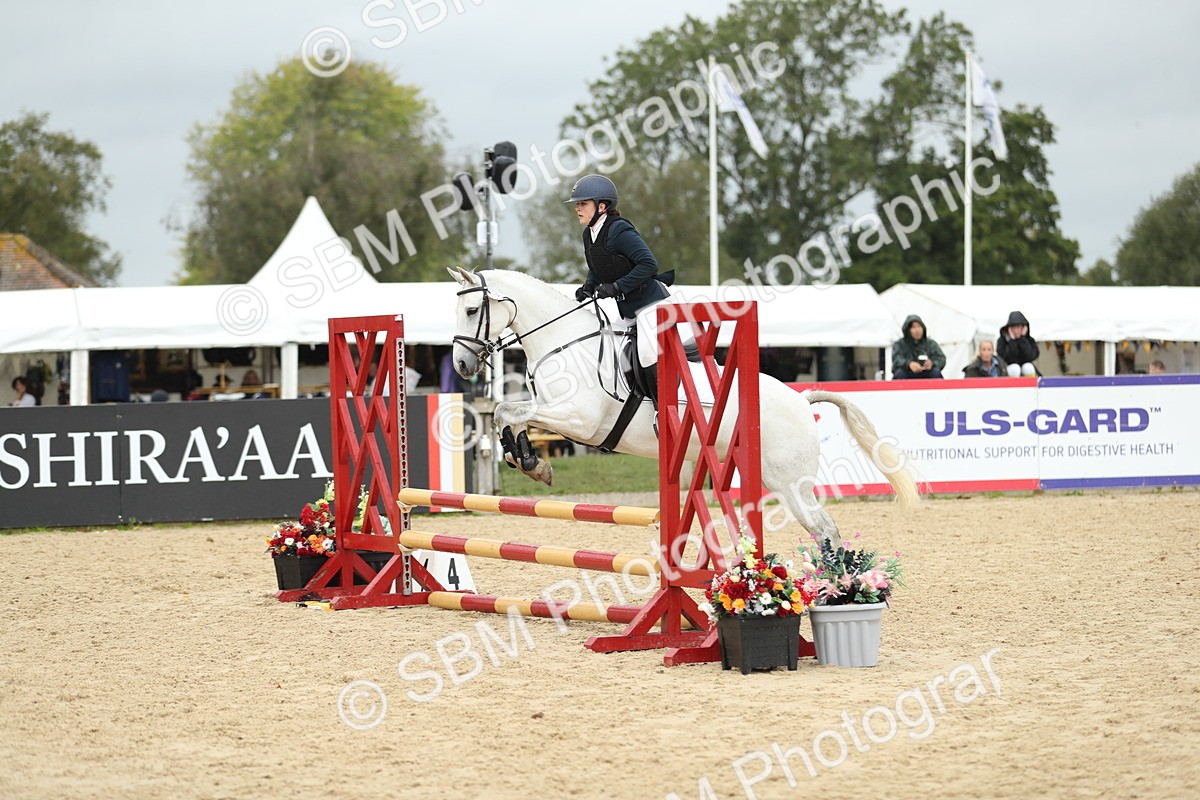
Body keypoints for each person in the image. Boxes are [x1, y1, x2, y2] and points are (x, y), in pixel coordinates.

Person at [567, 174, 674, 408]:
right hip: (628, 311)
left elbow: (649, 264)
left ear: (601, 206)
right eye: (577, 204)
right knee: (610, 348)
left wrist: (616, 287)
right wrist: (589, 286)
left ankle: (665, 409)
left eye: (583, 203)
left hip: (652, 305)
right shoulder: (589, 234)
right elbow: (598, 266)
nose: (578, 208)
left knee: (647, 353)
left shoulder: (619, 230)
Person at [892, 315, 946, 379]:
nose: (917, 330)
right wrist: (908, 364)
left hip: (927, 373)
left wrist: (932, 363)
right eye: (913, 327)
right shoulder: (900, 344)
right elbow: (897, 359)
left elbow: (941, 358)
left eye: (919, 326)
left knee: (936, 373)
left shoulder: (931, 344)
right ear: (908, 330)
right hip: (907, 372)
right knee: (899, 374)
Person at [996, 311, 1039, 376]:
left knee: (1028, 367)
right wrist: (1012, 341)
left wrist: (1022, 339)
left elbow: (1030, 356)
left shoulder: (1029, 340)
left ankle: (1030, 383)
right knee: (1015, 368)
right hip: (1007, 371)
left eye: (1018, 327)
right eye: (1013, 327)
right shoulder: (1002, 341)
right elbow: (1010, 359)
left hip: (1026, 370)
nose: (1016, 330)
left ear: (1024, 327)